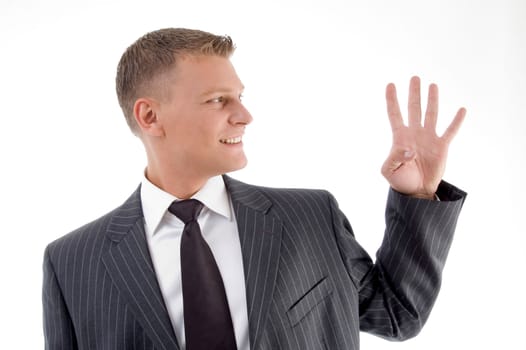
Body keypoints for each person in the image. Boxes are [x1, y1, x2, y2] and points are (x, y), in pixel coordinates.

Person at [42, 28, 467, 350]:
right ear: (150, 117)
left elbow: (397, 314)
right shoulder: (72, 263)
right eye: (218, 100)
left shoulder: (310, 217)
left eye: (240, 96)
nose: (244, 115)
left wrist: (418, 196)